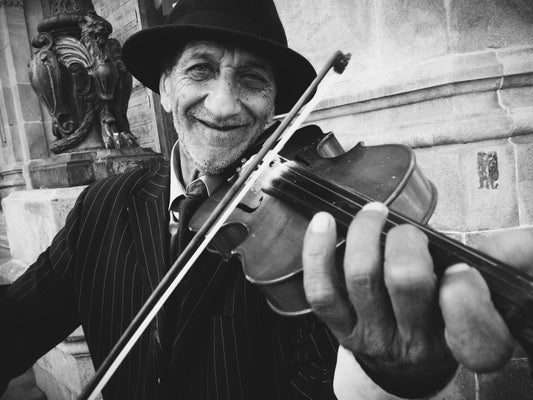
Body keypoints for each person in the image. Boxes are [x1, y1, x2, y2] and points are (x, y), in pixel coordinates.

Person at [1, 0, 532, 399]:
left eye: (251, 80)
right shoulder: (101, 208)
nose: (225, 103)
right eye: (200, 71)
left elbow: (321, 387)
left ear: (276, 104)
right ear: (164, 89)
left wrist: (383, 365)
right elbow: (17, 323)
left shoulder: (305, 240)